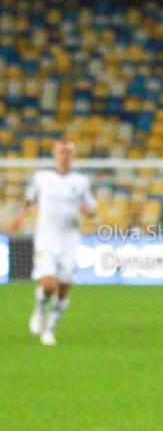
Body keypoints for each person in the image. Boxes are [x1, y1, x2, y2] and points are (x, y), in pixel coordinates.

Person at [11, 140, 97, 346]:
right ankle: (40, 308)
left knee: (64, 288)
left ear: (73, 157)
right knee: (49, 284)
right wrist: (19, 218)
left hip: (70, 241)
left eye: (68, 153)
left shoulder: (81, 181)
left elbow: (92, 209)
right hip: (46, 239)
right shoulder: (42, 178)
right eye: (61, 152)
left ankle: (50, 329)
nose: (64, 156)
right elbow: (29, 199)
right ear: (55, 155)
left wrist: (88, 212)